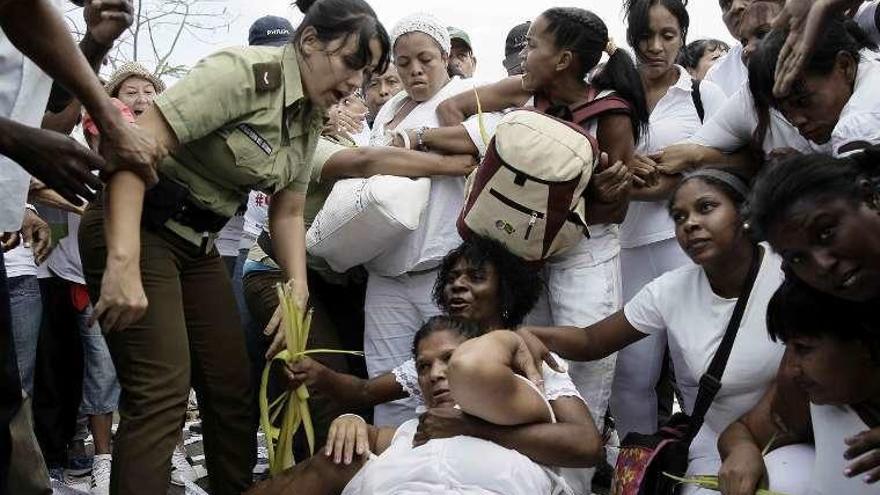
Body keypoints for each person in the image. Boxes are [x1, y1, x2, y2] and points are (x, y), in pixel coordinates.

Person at [77, 1, 391, 493]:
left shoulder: (308, 116)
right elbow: (133, 151)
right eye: (353, 62)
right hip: (137, 226)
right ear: (309, 41)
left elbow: (287, 211)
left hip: (198, 246)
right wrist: (122, 262)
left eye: (368, 72)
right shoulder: (243, 73)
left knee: (231, 389)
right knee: (161, 392)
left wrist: (298, 291)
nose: (357, 82)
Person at [429, 9, 649, 491]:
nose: (525, 54)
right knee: (523, 359)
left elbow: (615, 212)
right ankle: (526, 478)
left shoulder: (610, 111)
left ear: (564, 59)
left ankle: (571, 478)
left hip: (583, 254)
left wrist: (605, 192)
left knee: (582, 373)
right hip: (522, 256)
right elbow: (456, 111)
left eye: (533, 45)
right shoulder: (526, 94)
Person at [519, 169, 811, 494]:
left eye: (706, 207)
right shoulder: (671, 290)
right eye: (679, 216)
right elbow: (592, 341)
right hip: (714, 443)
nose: (690, 224)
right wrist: (524, 335)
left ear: (743, 212)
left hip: (798, 434)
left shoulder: (790, 268)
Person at [247, 315, 601, 495]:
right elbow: (366, 414)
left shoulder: (521, 407)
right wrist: (352, 421)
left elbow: (588, 447)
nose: (435, 374)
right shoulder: (413, 432)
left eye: (449, 358)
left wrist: (510, 337)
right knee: (339, 457)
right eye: (423, 366)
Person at [352, 12, 497, 427]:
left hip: (442, 268)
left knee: (455, 381)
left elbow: (476, 152)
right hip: (385, 269)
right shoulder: (387, 111)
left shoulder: (468, 95)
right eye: (403, 62)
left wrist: (412, 147)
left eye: (425, 59)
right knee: (388, 382)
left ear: (446, 55)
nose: (414, 70)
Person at [613, 0, 727, 441]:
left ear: (683, 34)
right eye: (645, 36)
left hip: (685, 248)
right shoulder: (613, 93)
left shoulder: (702, 94)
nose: (656, 47)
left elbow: (737, 158)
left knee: (696, 370)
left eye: (668, 35)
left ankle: (708, 465)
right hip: (623, 248)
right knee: (631, 376)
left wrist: (685, 166)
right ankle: (637, 471)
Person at [717, 278, 879, 495]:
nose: (791, 367)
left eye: (803, 348)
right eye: (788, 347)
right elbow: (742, 430)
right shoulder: (804, 391)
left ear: (865, 345)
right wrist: (741, 450)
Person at [746, 146, 880, 304]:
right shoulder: (811, 319)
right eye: (797, 258)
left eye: (826, 233)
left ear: (869, 198)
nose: (823, 265)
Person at [748, 13, 880, 157]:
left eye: (802, 101)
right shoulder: (867, 62)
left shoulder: (857, 126)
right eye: (785, 112)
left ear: (844, 66)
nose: (796, 121)